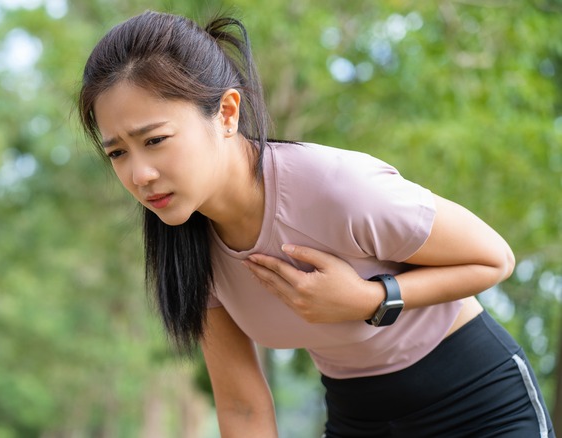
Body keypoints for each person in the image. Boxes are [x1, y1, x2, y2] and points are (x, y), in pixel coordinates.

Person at [77, 10, 555, 438]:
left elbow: (495, 258)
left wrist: (370, 299)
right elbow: (243, 407)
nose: (139, 175)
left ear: (226, 112)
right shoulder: (186, 247)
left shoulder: (338, 187)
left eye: (155, 140)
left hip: (476, 402)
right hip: (357, 416)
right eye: (117, 152)